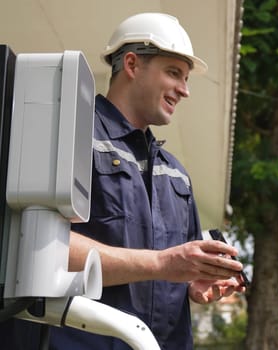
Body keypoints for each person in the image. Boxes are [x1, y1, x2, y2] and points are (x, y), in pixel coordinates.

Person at [0, 12, 245, 350]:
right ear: (131, 64)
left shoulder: (176, 175)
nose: (185, 90)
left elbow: (173, 268)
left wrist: (193, 281)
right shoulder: (66, 138)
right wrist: (163, 263)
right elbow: (36, 247)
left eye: (186, 78)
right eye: (174, 73)